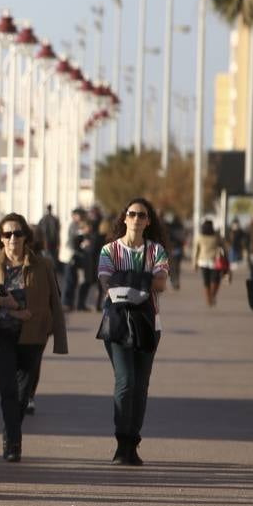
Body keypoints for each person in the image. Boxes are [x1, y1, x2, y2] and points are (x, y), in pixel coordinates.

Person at [0, 213, 68, 462]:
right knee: (8, 389)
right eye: (7, 234)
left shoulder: (43, 266)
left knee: (23, 392)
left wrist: (47, 326)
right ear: (0, 238)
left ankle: (11, 430)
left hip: (32, 336)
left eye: (17, 233)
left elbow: (54, 300)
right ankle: (13, 441)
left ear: (26, 237)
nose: (12, 239)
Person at [96, 197, 170, 466]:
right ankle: (121, 442)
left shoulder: (156, 250)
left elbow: (161, 284)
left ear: (148, 221)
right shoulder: (109, 250)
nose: (137, 219)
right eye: (132, 214)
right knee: (125, 381)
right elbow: (106, 282)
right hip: (117, 322)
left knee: (141, 385)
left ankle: (133, 441)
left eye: (142, 215)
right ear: (124, 218)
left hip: (149, 324)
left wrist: (125, 279)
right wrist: (143, 280)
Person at [192, 219, 228, 307]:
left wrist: (194, 264)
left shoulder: (199, 237)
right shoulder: (217, 236)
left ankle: (209, 298)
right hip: (215, 261)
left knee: (206, 282)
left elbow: (195, 251)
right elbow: (224, 247)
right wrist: (226, 258)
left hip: (202, 261)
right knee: (216, 280)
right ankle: (212, 295)